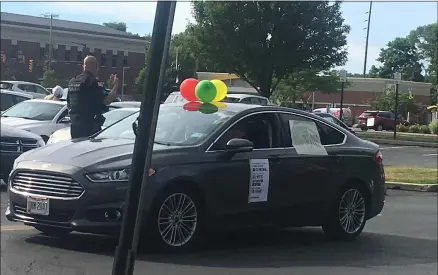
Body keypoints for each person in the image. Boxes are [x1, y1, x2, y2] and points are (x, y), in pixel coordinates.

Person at [67, 55, 119, 139]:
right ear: (96, 68)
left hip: (74, 127)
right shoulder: (93, 82)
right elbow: (107, 99)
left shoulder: (72, 82)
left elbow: (69, 103)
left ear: (83, 67)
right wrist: (116, 85)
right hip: (89, 128)